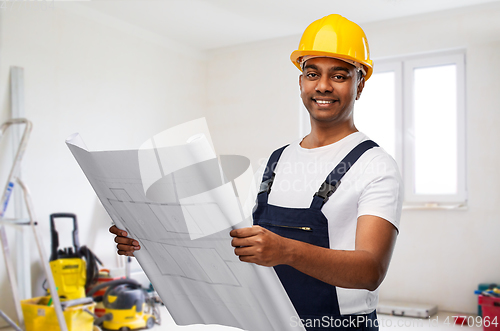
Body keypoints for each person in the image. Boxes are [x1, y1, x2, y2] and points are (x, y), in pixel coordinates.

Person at [110, 14, 403, 331]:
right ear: (300, 81)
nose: (322, 85)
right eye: (312, 73)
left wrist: (286, 251)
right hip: (268, 320)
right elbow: (238, 244)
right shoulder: (277, 160)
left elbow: (370, 271)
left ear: (360, 84)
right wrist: (149, 241)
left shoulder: (375, 164)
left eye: (340, 75)